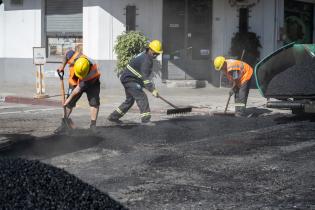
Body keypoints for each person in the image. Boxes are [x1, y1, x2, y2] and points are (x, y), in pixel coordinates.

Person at [107, 40, 163, 124]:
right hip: (130, 80)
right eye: (155, 53)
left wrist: (152, 88)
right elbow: (145, 77)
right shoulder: (146, 60)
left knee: (129, 100)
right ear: (150, 49)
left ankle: (113, 117)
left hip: (129, 78)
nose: (156, 55)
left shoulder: (145, 54)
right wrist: (152, 90)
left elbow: (143, 76)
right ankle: (146, 120)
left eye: (157, 54)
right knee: (142, 97)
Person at [56, 55, 101, 132]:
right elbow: (66, 55)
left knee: (94, 102)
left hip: (92, 83)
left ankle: (93, 126)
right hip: (74, 82)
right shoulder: (75, 56)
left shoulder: (93, 71)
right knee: (69, 104)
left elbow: (78, 89)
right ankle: (63, 124)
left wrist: (68, 99)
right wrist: (62, 66)